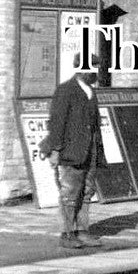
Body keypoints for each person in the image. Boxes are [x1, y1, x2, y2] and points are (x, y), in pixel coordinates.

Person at [42, 55, 105, 249]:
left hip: (90, 151)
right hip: (72, 151)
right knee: (70, 193)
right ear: (81, 69)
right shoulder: (65, 90)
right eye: (93, 68)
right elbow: (57, 123)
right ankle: (67, 233)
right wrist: (55, 150)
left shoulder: (91, 92)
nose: (96, 72)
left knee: (87, 192)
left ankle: (82, 231)